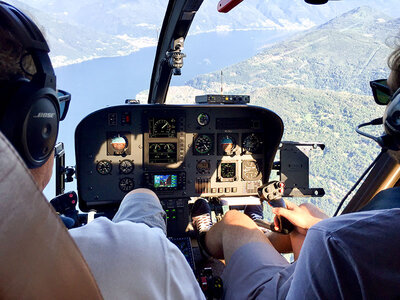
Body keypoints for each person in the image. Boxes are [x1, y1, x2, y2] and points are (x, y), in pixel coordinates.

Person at [0, 3, 205, 299]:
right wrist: (135, 241)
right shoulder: (141, 258)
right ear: (34, 125)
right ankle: (204, 236)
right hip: (138, 245)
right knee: (142, 199)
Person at [200, 42, 400, 299]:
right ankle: (256, 233)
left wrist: (325, 232)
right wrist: (322, 226)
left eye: (389, 95)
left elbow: (338, 250)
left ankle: (199, 245)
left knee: (234, 222)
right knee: (299, 226)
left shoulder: (334, 242)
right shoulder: (343, 237)